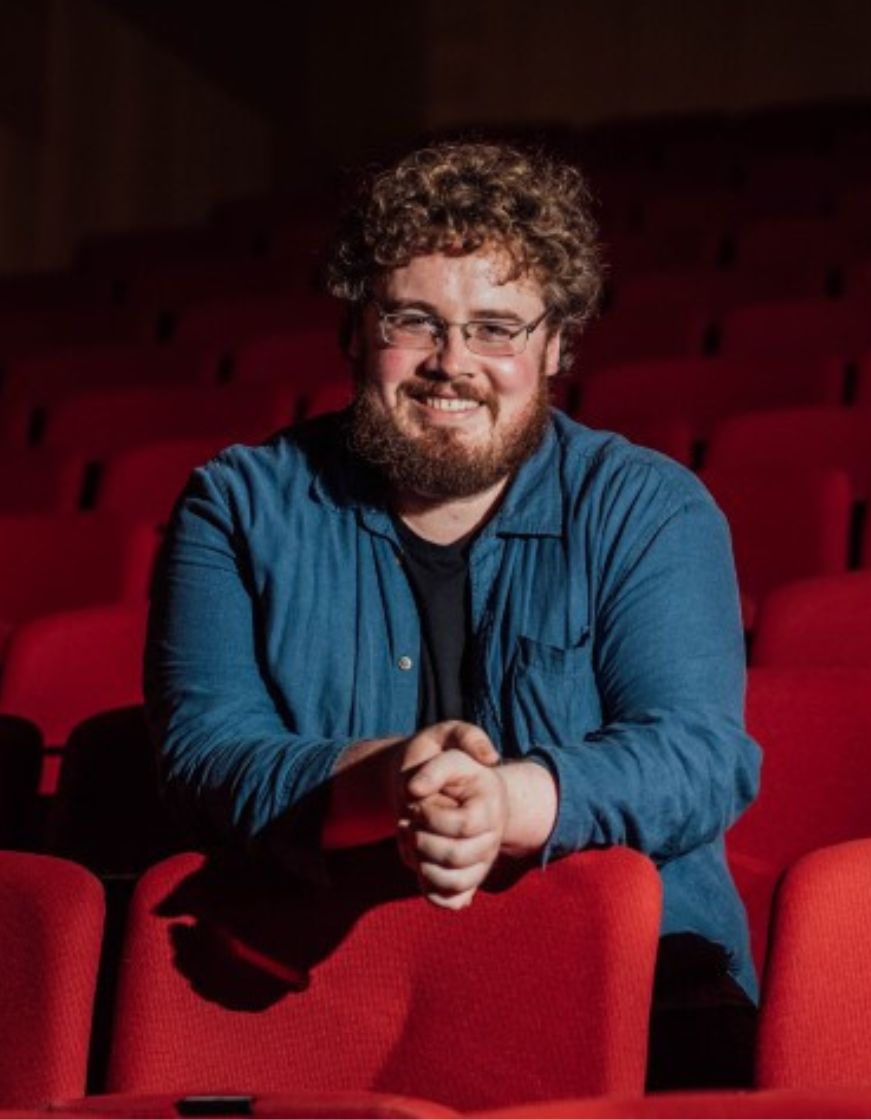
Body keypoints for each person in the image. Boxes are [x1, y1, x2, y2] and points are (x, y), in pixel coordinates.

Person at [145, 141, 761, 1088]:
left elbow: (698, 754)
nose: (452, 364)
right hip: (332, 1005)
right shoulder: (236, 505)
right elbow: (204, 752)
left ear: (556, 345)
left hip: (640, 998)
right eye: (415, 320)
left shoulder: (651, 507)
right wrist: (385, 778)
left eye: (496, 329)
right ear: (356, 328)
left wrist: (505, 803)